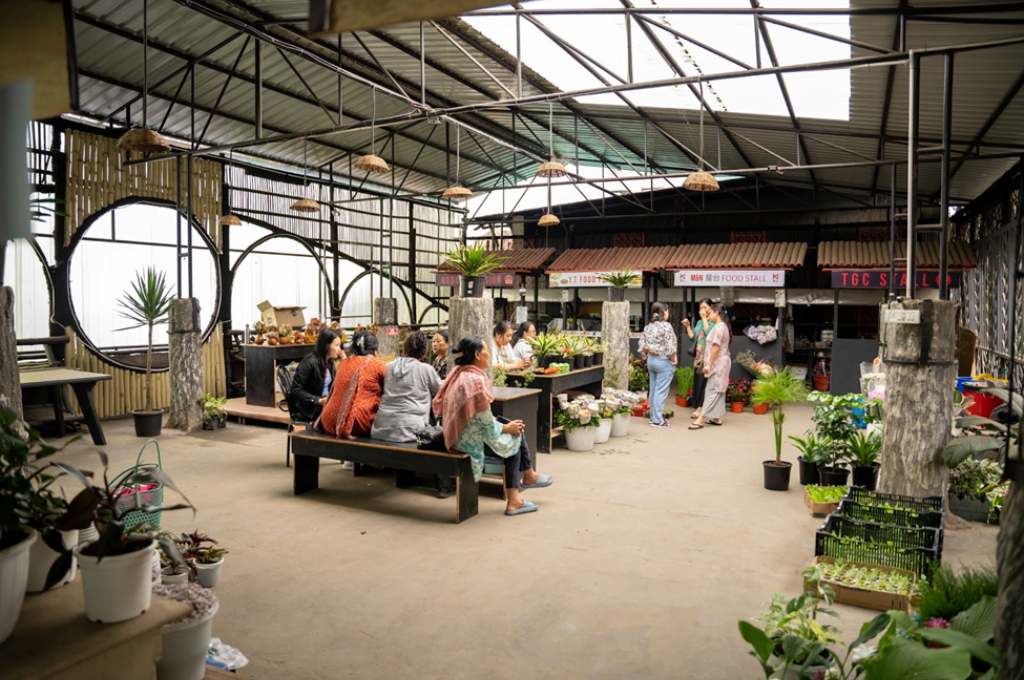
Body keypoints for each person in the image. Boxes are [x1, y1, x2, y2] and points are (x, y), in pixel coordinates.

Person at [432, 337, 552, 516]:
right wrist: (507, 429)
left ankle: (528, 475)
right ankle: (514, 500)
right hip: (465, 440)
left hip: (456, 432)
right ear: (478, 355)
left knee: (509, 424)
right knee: (514, 438)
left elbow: (480, 418)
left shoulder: (458, 373)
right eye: (487, 351)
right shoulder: (475, 381)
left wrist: (505, 426)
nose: (490, 354)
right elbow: (486, 425)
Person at [371, 332, 441, 443]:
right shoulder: (426, 369)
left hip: (381, 428)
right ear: (424, 353)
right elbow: (441, 391)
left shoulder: (389, 366)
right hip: (411, 432)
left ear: (405, 349)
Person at [317, 330, 386, 439]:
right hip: (354, 424)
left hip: (328, 421)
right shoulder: (378, 364)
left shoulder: (343, 364)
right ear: (375, 351)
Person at [691, 303, 732, 429]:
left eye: (711, 313)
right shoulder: (721, 326)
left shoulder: (719, 327)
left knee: (713, 390)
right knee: (717, 390)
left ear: (717, 313)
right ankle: (716, 417)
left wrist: (709, 364)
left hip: (718, 363)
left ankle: (701, 418)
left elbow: (715, 347)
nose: (709, 315)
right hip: (719, 363)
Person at [287, 328, 342, 422]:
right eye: (336, 345)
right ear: (326, 346)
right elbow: (295, 390)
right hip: (310, 409)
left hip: (324, 404)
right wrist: (318, 400)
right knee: (343, 418)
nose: (339, 349)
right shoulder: (309, 362)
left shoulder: (329, 362)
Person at [639, 302, 677, 429]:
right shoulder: (667, 326)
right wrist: (674, 360)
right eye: (667, 311)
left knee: (654, 389)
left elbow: (642, 344)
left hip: (651, 361)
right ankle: (657, 420)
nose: (668, 313)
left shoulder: (648, 326)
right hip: (663, 361)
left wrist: (645, 356)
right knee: (660, 391)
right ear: (663, 312)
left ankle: (653, 417)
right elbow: (671, 347)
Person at [682, 299, 714, 420]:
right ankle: (697, 405)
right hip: (699, 356)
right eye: (701, 307)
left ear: (711, 308)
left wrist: (705, 318)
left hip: (709, 356)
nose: (702, 310)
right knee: (698, 381)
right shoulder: (700, 322)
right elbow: (692, 337)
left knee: (704, 382)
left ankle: (701, 407)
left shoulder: (713, 322)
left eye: (705, 307)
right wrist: (688, 326)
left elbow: (708, 332)